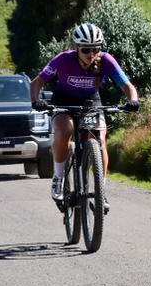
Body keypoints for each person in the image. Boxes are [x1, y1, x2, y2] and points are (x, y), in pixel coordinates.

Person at [29, 23, 139, 210]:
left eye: (95, 49)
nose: (91, 54)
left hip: (91, 101)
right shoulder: (63, 60)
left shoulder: (106, 61)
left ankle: (101, 191)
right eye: (86, 49)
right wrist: (36, 101)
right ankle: (58, 177)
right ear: (76, 48)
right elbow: (36, 83)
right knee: (65, 131)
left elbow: (128, 86)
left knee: (100, 141)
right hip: (63, 100)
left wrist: (133, 100)